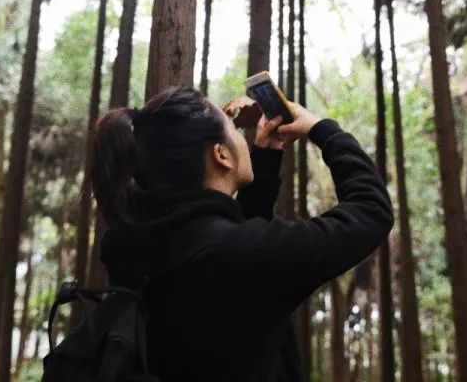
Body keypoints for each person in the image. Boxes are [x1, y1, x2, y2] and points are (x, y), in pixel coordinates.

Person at [89, 86, 393, 382]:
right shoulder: (241, 256)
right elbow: (371, 211)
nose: (241, 137)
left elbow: (228, 258)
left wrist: (266, 156)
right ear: (221, 154)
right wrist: (322, 129)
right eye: (233, 129)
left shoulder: (140, 251)